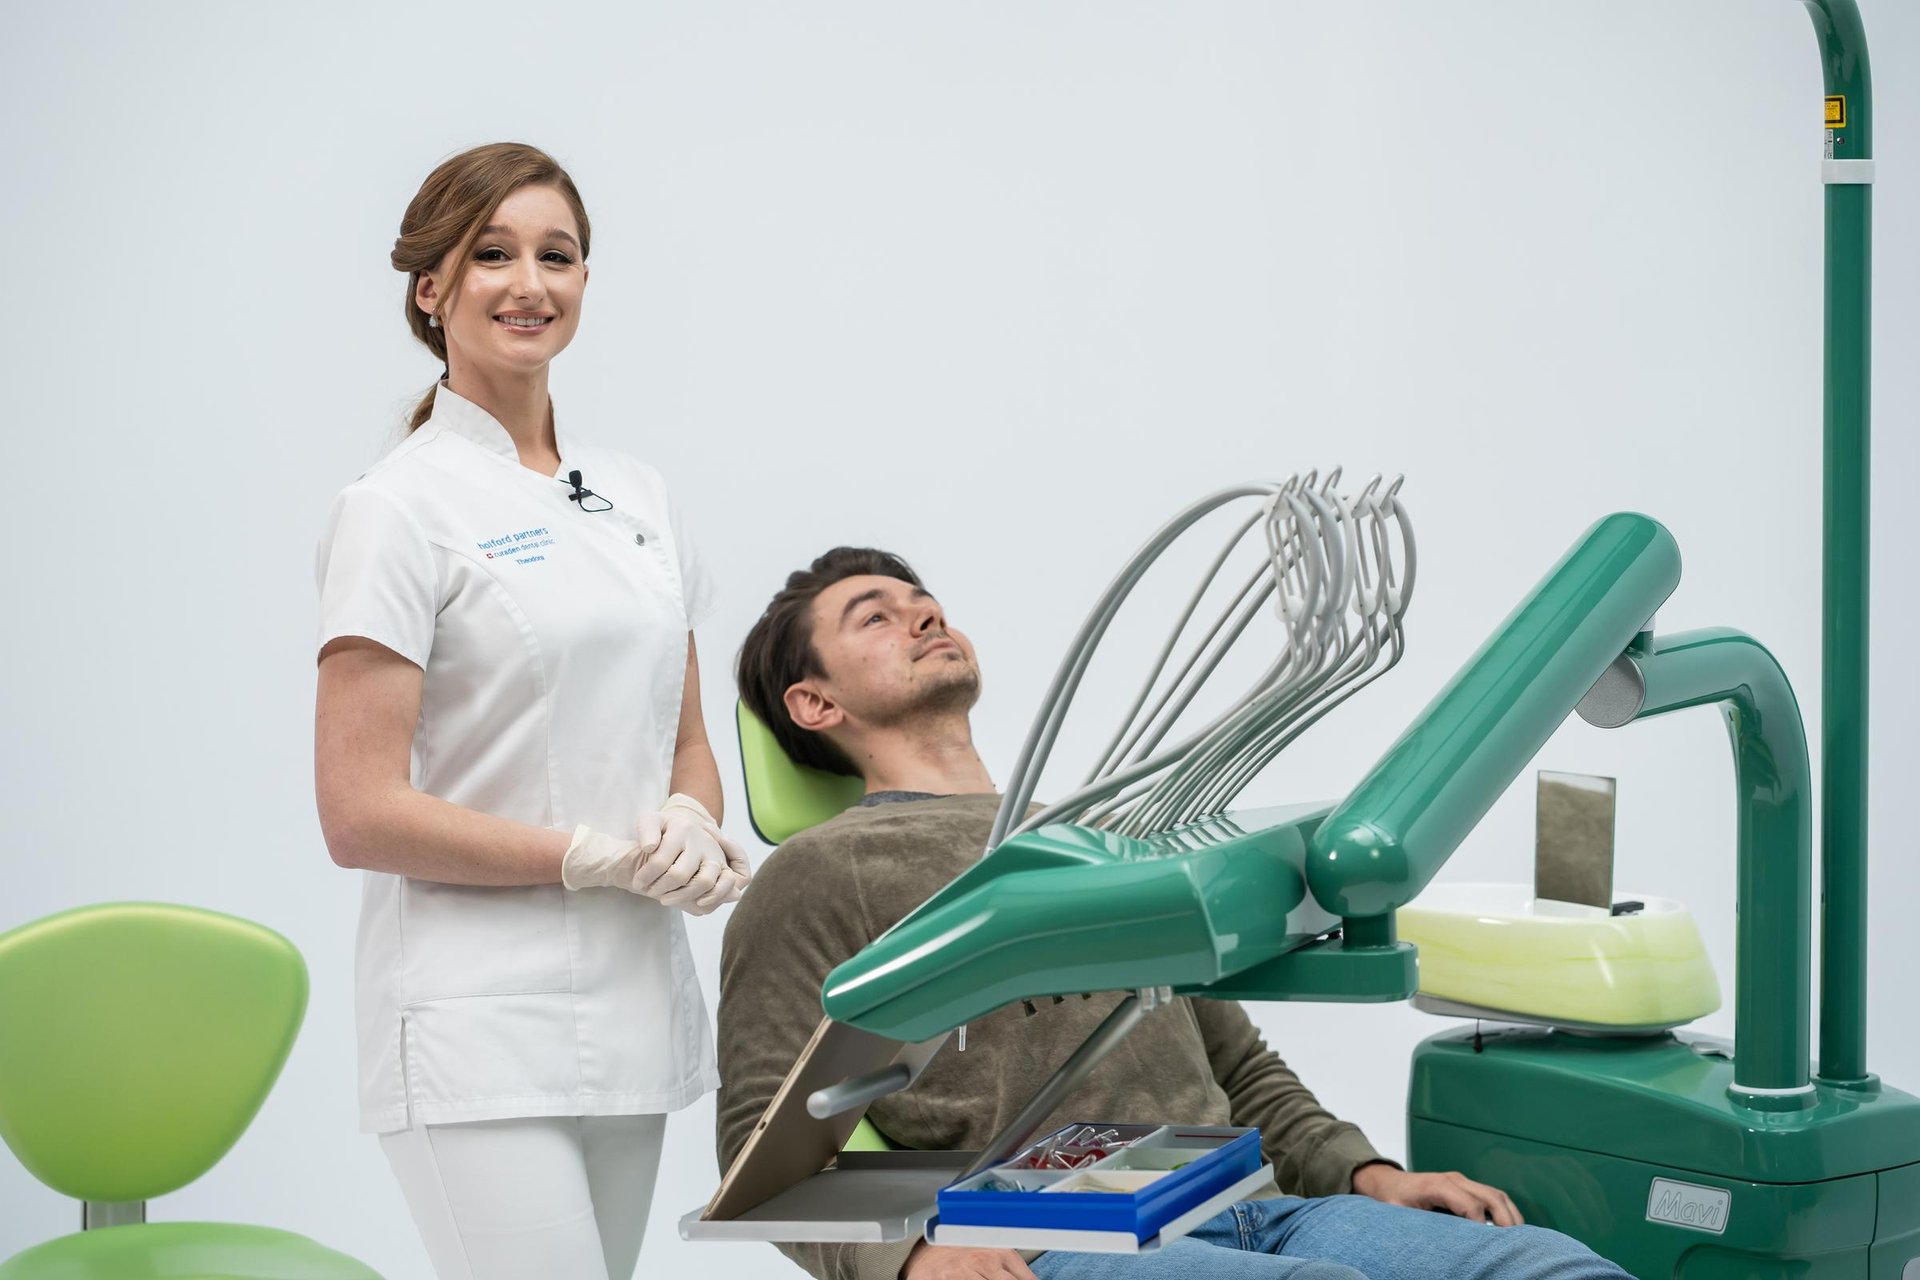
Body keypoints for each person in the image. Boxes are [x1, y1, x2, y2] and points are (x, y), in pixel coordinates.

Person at [718, 547, 1630, 1280]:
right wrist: (909, 1257)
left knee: (1550, 1264)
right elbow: (761, 1140)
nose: (924, 614)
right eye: (874, 616)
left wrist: (1369, 1175)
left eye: (925, 600)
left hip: (1264, 1209)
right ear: (814, 702)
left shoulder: (1111, 835)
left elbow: (1234, 1063)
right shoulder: (818, 875)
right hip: (1061, 1241)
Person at [313, 142, 750, 1280]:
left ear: (587, 282)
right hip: (474, 1023)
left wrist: (692, 821)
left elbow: (686, 741)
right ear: (431, 288)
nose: (530, 283)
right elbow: (359, 811)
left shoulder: (640, 495)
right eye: (492, 254)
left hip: (632, 1004)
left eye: (557, 255)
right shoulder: (395, 508)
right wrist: (583, 857)